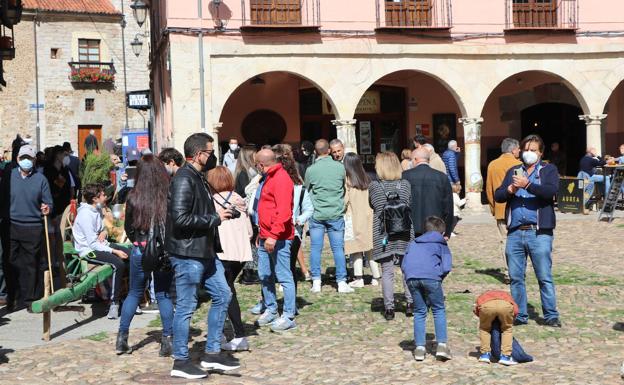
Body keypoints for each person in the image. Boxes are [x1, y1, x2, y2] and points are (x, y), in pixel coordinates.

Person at [166, 133, 238, 380]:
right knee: (186, 306)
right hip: (187, 254)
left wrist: (221, 212)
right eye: (209, 152)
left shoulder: (198, 178)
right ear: (198, 154)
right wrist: (215, 219)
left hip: (205, 251)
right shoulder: (184, 179)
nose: (212, 156)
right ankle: (180, 360)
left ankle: (212, 353)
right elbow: (180, 218)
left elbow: (196, 210)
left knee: (223, 294)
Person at [494, 134, 561, 328]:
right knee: (516, 277)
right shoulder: (513, 170)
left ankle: (550, 314)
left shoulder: (548, 170)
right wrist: (509, 191)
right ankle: (520, 314)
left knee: (544, 276)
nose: (529, 153)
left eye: (533, 150)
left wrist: (528, 185)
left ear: (540, 153)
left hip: (539, 232)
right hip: (515, 231)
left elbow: (550, 192)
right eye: (526, 149)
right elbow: (498, 195)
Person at [116, 156, 174, 357]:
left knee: (134, 293)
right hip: (162, 251)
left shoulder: (133, 196)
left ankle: (122, 338)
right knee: (163, 293)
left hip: (140, 249)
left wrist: (138, 242)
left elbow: (128, 228)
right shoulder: (167, 195)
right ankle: (167, 341)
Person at [208, 166, 253, 351]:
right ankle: (223, 329)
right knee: (225, 290)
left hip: (223, 253)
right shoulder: (239, 201)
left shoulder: (212, 203)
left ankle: (238, 334)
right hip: (240, 254)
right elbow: (249, 231)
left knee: (225, 292)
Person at [253, 149, 298, 332]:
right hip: (265, 235)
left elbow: (284, 212)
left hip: (279, 238)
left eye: (256, 164)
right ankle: (271, 309)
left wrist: (273, 235)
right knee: (265, 274)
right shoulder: (268, 177)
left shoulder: (281, 179)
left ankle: (288, 315)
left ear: (261, 164)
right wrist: (261, 232)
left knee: (283, 276)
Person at [3, 145, 52, 311]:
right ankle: (13, 297)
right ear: (17, 159)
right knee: (10, 263)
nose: (26, 161)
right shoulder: (9, 176)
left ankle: (30, 299)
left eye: (29, 159)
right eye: (23, 158)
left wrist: (47, 208)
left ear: (34, 160)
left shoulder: (41, 180)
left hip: (33, 227)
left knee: (30, 264)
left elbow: (48, 202)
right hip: (11, 226)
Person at [73, 184, 129, 319]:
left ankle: (130, 297)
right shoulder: (86, 215)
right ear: (95, 199)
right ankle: (114, 302)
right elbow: (92, 243)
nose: (105, 196)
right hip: (89, 250)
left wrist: (104, 231)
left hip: (101, 244)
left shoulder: (96, 209)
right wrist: (114, 251)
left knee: (131, 254)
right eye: (103, 195)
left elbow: (101, 227)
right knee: (118, 263)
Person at [305, 139, 353, 294]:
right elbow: (343, 188)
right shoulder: (339, 168)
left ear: (315, 152)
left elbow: (307, 189)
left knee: (315, 248)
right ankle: (341, 281)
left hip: (317, 213)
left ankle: (317, 281)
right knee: (338, 249)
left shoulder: (311, 170)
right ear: (329, 150)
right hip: (335, 212)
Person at [369, 152, 413, 320]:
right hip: (404, 230)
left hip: (384, 232)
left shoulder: (374, 186)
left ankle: (389, 308)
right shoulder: (405, 184)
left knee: (387, 271)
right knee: (407, 268)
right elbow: (410, 203)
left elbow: (373, 205)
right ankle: (410, 303)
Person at [402, 216, 452, 362]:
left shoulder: (413, 243)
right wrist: (438, 278)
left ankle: (419, 348)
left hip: (411, 278)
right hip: (432, 278)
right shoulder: (442, 245)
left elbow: (404, 264)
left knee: (419, 311)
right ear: (442, 234)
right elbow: (446, 267)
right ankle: (441, 345)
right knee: (438, 309)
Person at [272, 144, 312, 289]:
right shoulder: (269, 184)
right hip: (275, 231)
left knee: (288, 264)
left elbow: (308, 209)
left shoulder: (298, 188)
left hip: (292, 231)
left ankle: (290, 301)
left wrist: (299, 220)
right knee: (278, 265)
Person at [485, 138, 521, 283]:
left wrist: (494, 208)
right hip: (517, 208)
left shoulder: (493, 165)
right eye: (518, 149)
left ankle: (507, 272)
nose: (519, 151)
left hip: (500, 209)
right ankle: (517, 270)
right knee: (518, 240)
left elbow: (488, 189)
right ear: (513, 150)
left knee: (504, 240)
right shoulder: (519, 164)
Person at [342, 153, 377, 289]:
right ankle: (375, 276)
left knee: (355, 248)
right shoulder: (367, 178)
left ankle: (359, 278)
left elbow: (345, 200)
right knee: (370, 248)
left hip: (353, 217)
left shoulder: (347, 181)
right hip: (368, 217)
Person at [403, 148, 454, 238]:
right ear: (428, 160)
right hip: (434, 227)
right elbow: (448, 207)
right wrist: (447, 231)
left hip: (410, 228)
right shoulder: (442, 177)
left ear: (415, 159)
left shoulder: (405, 176)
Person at [474, 290, 519, 366]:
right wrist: (511, 320)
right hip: (505, 306)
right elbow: (516, 310)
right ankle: (505, 356)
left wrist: (484, 319)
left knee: (484, 329)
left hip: (487, 305)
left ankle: (485, 355)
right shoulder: (507, 295)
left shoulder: (483, 295)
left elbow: (476, 310)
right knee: (507, 329)